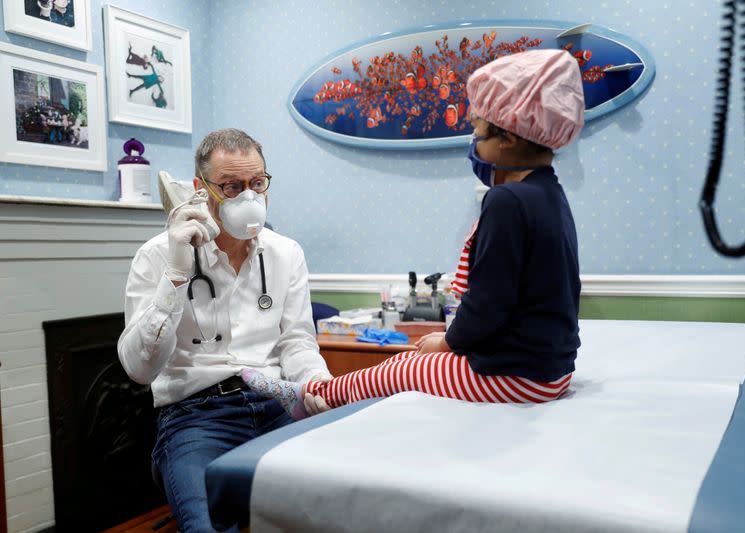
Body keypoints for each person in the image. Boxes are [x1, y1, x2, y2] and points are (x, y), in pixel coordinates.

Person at [243, 49, 584, 419]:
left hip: (517, 375)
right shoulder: (550, 193)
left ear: (510, 138)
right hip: (553, 371)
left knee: (398, 368)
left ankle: (309, 395)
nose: (474, 141)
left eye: (479, 130)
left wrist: (448, 341)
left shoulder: (506, 201)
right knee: (407, 358)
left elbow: (489, 302)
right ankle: (314, 393)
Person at [117, 129, 333, 532]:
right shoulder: (158, 255)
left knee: (336, 506)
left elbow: (297, 341)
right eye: (232, 187)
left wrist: (315, 382)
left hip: (277, 404)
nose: (248, 198)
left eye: (257, 184)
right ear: (201, 190)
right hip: (196, 416)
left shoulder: (286, 253)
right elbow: (138, 370)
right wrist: (177, 277)